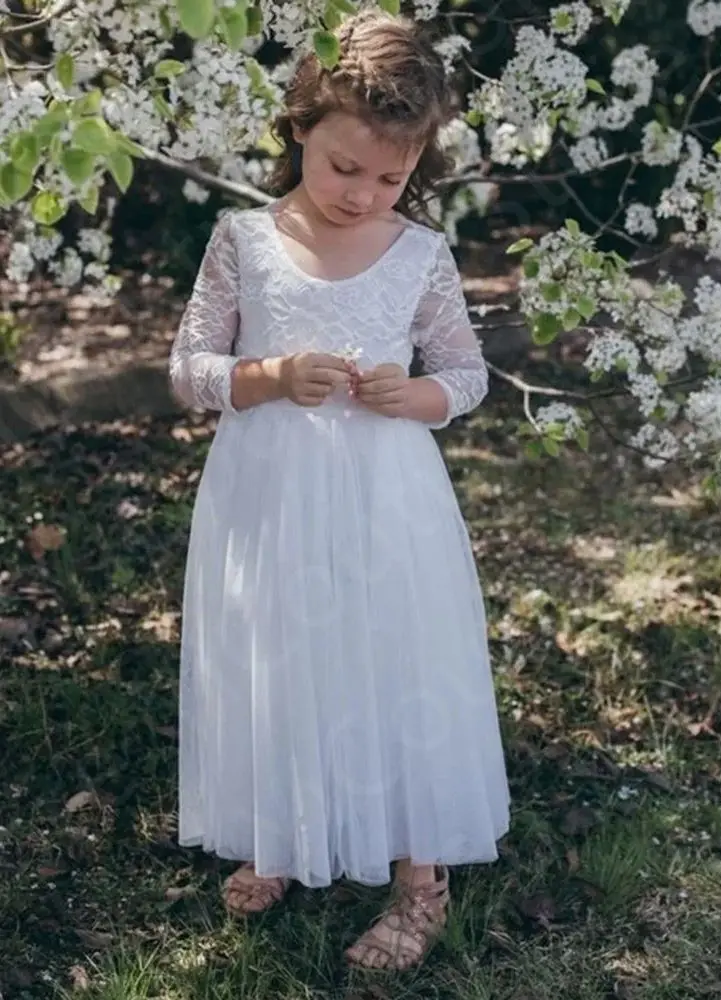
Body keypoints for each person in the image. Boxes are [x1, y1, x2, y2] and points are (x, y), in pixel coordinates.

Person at [168, 8, 510, 972]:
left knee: (392, 662)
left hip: (382, 503)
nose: (362, 194)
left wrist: (420, 394)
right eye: (342, 167)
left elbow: (467, 374)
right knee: (278, 651)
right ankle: (285, 829)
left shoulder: (420, 256)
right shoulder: (244, 238)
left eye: (389, 177)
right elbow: (187, 368)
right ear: (300, 134)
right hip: (268, 498)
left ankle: (420, 878)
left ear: (417, 167)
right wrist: (267, 378)